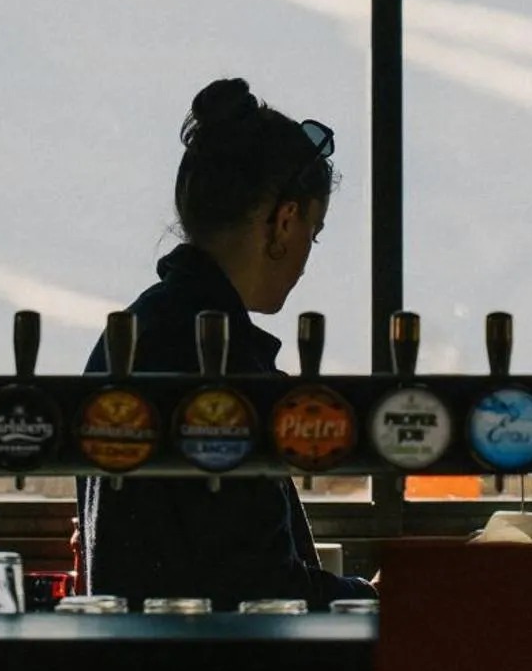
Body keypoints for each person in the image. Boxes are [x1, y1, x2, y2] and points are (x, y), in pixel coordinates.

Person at [79, 77, 376, 611]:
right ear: (285, 222)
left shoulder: (133, 329)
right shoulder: (223, 363)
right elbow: (258, 588)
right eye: (315, 230)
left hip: (138, 668)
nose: (307, 254)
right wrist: (372, 597)